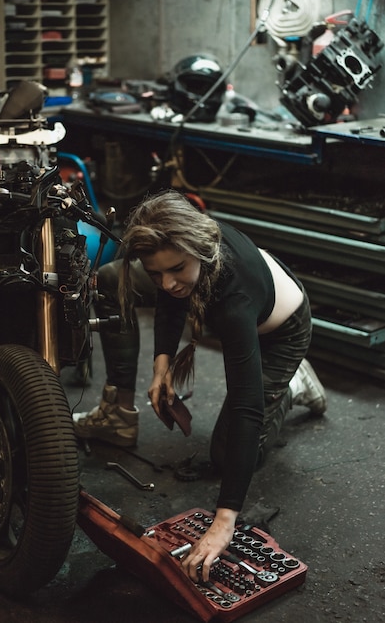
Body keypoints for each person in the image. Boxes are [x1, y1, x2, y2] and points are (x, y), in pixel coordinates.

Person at [73, 189, 326, 582]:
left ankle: (294, 383)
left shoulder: (232, 297)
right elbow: (170, 299)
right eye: (156, 272)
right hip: (249, 298)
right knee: (111, 279)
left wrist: (224, 521)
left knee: (228, 453)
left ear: (201, 251)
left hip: (281, 331)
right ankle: (116, 412)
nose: (167, 282)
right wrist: (162, 366)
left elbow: (246, 405)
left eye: (176, 269)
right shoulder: (180, 253)